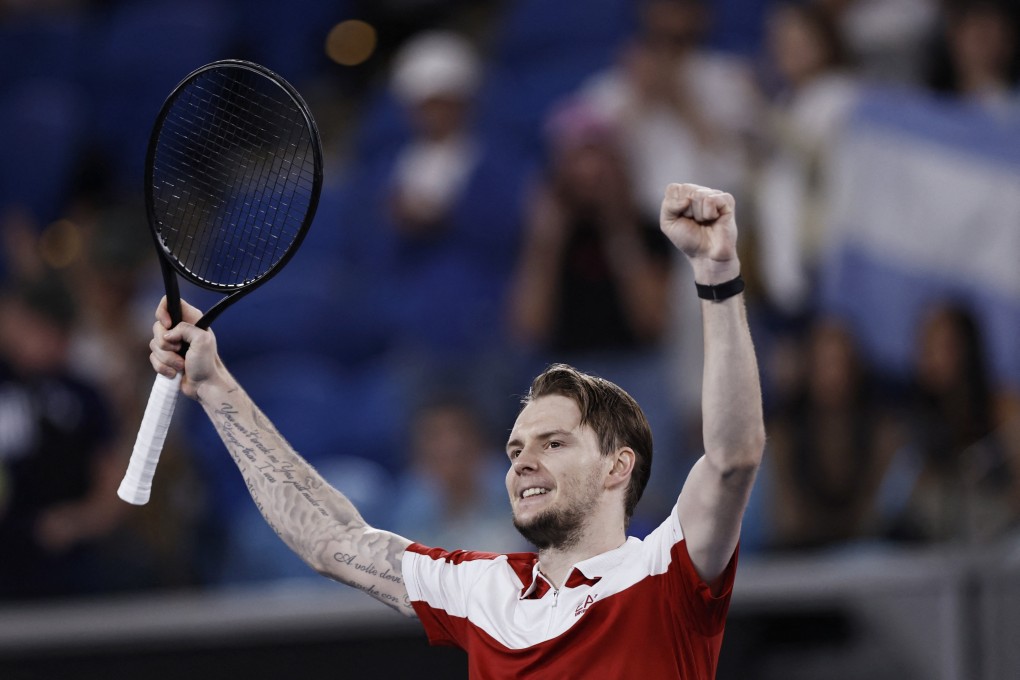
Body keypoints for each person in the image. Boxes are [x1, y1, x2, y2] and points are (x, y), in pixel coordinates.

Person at [145, 183, 764, 678]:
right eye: (516, 448)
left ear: (617, 467)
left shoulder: (666, 568)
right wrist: (217, 384)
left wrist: (717, 272)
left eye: (554, 443)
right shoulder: (483, 589)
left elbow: (733, 456)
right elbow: (330, 539)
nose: (522, 461)